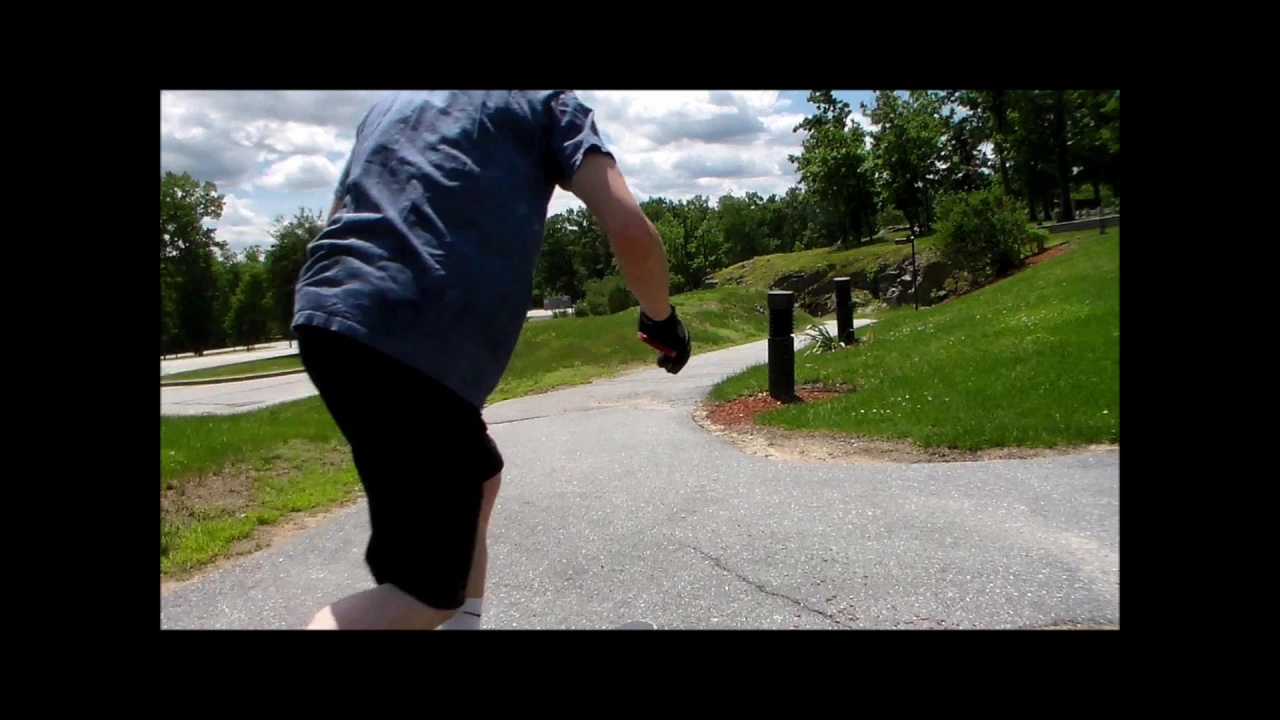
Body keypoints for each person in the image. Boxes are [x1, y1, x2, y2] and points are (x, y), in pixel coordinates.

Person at [290, 91, 692, 630]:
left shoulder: (393, 104)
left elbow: (340, 214)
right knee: (423, 594)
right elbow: (627, 224)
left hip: (330, 308)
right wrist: (661, 317)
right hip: (413, 326)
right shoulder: (547, 102)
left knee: (479, 475)